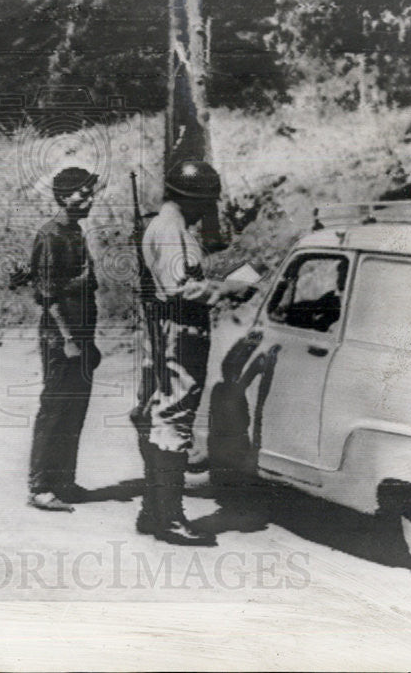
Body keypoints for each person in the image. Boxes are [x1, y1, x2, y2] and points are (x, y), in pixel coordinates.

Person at [131, 159, 254, 546]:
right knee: (174, 418)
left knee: (161, 415)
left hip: (170, 329)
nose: (209, 210)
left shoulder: (169, 225)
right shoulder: (170, 230)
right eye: (208, 202)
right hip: (179, 331)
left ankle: (153, 511)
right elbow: (185, 290)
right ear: (196, 198)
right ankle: (169, 517)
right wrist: (238, 282)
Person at [27, 166, 102, 512]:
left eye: (90, 192)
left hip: (82, 334)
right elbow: (47, 294)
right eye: (81, 193)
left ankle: (64, 481)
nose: (88, 198)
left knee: (76, 408)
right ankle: (41, 487)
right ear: (62, 196)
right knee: (55, 409)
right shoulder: (51, 235)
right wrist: (70, 340)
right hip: (61, 337)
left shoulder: (75, 232)